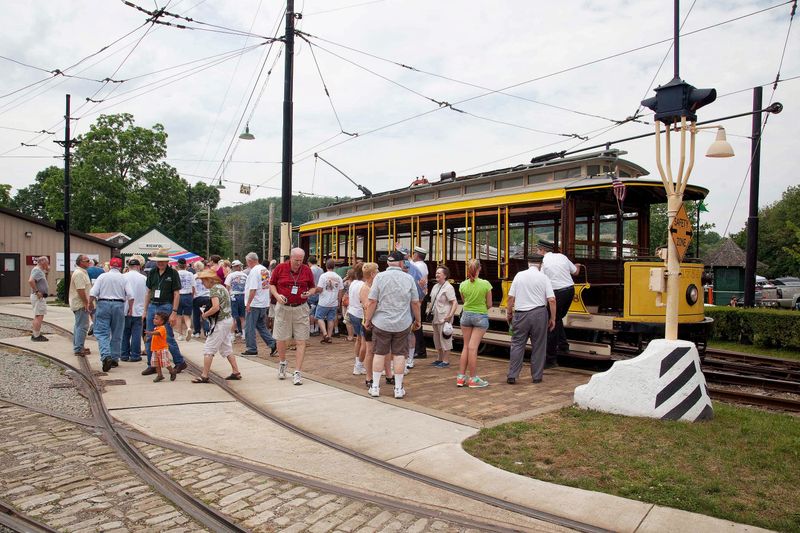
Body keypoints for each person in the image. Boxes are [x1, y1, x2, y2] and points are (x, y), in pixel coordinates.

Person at [364, 250, 421, 399]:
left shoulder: (379, 277)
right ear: (402, 263)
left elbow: (372, 301)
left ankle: (375, 387)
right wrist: (418, 320)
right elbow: (415, 302)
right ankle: (398, 388)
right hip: (402, 323)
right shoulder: (408, 278)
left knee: (379, 353)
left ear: (388, 263)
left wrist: (368, 320)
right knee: (399, 355)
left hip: (381, 322)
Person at [269, 248, 318, 385]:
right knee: (280, 337)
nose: (298, 263)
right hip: (283, 307)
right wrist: (277, 296)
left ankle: (297, 372)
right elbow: (271, 284)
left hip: (300, 308)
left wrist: (309, 293)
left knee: (301, 340)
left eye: (301, 260)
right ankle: (283, 363)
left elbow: (313, 287)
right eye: (296, 260)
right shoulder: (280, 268)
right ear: (290, 258)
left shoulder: (306, 270)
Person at [506, 254, 556, 384]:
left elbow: (511, 297)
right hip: (539, 313)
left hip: (521, 314)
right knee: (539, 346)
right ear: (540, 264)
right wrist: (553, 318)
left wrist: (509, 313)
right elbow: (551, 299)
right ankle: (537, 377)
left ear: (528, 263)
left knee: (517, 344)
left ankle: (512, 375)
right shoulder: (544, 278)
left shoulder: (519, 276)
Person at [537, 239, 582, 368]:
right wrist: (577, 265)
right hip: (570, 291)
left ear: (542, 250)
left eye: (537, 250)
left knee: (551, 323)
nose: (537, 252)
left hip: (557, 293)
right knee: (557, 319)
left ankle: (550, 359)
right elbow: (576, 272)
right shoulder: (562, 257)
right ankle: (563, 346)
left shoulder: (543, 262)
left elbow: (540, 280)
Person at [142, 248, 187, 376]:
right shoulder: (152, 273)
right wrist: (145, 310)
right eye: (158, 261)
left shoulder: (173, 273)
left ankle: (179, 361)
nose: (160, 263)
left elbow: (176, 293)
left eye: (162, 261)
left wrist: (174, 312)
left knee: (167, 336)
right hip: (153, 305)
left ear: (167, 261)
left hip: (166, 305)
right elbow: (148, 292)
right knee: (150, 336)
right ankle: (152, 365)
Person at [191, 270, 242, 383]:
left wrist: (205, 314)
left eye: (203, 281)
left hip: (220, 322)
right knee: (226, 347)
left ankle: (204, 375)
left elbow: (215, 307)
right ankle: (235, 371)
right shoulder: (222, 287)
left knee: (209, 348)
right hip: (227, 320)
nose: (203, 284)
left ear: (209, 280)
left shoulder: (214, 290)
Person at [90, 257, 133, 372]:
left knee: (101, 332)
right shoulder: (123, 278)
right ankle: (114, 358)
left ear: (110, 266)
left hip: (103, 303)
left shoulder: (102, 276)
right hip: (119, 305)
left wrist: (90, 304)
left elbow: (93, 292)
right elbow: (130, 295)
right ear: (120, 267)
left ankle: (106, 355)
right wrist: (130, 309)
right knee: (117, 332)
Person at [457, 259, 492, 388]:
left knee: (466, 346)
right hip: (480, 316)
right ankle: (473, 379)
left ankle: (461, 377)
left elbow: (464, 301)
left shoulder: (463, 285)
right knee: (473, 348)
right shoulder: (486, 284)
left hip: (466, 316)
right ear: (479, 269)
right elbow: (489, 304)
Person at [241, 252, 277, 356]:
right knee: (261, 326)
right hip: (263, 302)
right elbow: (267, 286)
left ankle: (251, 348)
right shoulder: (265, 270)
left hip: (254, 303)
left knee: (250, 327)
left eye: (247, 261)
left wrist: (248, 303)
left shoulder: (254, 271)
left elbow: (253, 289)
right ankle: (272, 344)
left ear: (250, 261)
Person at [429, 265, 458, 368]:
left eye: (439, 273)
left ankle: (446, 360)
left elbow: (454, 302)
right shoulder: (435, 286)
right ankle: (439, 358)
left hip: (445, 317)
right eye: (436, 273)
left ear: (445, 275)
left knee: (445, 338)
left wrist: (450, 315)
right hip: (435, 316)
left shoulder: (448, 287)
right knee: (436, 338)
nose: (437, 275)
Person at [121, 258, 147, 362]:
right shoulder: (143, 278)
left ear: (128, 267)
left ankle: (124, 354)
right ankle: (135, 355)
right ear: (139, 266)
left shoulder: (122, 277)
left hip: (125, 309)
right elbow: (147, 294)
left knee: (124, 333)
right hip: (139, 309)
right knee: (136, 333)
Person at [315, 258, 343, 343]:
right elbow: (340, 291)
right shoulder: (338, 277)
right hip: (333, 302)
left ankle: (325, 334)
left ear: (326, 266)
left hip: (323, 301)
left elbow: (319, 288)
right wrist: (339, 301)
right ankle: (330, 336)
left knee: (319, 317)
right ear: (334, 267)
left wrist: (314, 291)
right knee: (331, 319)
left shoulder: (323, 276)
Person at [69, 255, 93, 355]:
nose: (89, 262)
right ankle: (78, 348)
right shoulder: (79, 273)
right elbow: (80, 290)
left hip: (80, 303)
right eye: (87, 260)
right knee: (82, 326)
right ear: (80, 262)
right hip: (80, 304)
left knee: (79, 325)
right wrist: (86, 302)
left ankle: (78, 345)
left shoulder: (82, 272)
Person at [145, 311, 177, 382]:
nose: (154, 320)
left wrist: (150, 333)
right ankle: (160, 375)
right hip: (155, 349)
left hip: (162, 349)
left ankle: (172, 371)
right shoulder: (156, 328)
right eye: (154, 318)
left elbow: (157, 333)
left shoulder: (162, 328)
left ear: (162, 321)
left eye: (156, 319)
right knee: (156, 363)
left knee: (165, 363)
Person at [347, 264, 366, 375]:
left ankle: (357, 364)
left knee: (358, 339)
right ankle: (359, 365)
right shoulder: (364, 285)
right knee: (364, 341)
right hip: (361, 314)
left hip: (352, 312)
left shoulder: (353, 283)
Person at [411, 246, 429, 359]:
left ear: (417, 255)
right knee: (417, 324)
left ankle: (420, 350)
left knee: (417, 324)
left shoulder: (419, 266)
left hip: (418, 298)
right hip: (419, 297)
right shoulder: (421, 265)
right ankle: (419, 350)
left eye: (414, 253)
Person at [28, 256, 50, 341]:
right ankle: (36, 335)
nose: (48, 264)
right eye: (47, 262)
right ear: (42, 262)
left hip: (40, 297)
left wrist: (47, 271)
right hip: (38, 297)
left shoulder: (40, 271)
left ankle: (35, 333)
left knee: (38, 315)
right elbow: (30, 280)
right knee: (39, 315)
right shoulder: (37, 270)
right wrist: (37, 292)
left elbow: (42, 281)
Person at [226, 259, 248, 338]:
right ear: (239, 266)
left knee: (234, 317)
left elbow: (227, 287)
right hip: (243, 296)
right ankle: (244, 335)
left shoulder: (230, 275)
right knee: (242, 317)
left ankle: (232, 336)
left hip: (233, 297)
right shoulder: (245, 276)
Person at [176, 258, 195, 339]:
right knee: (187, 315)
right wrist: (192, 296)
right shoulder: (190, 274)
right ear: (186, 265)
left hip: (178, 295)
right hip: (188, 295)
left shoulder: (176, 273)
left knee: (178, 316)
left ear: (178, 265)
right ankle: (188, 328)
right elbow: (193, 287)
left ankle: (180, 334)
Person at [192, 261, 211, 339]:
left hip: (197, 297)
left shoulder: (194, 276)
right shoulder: (207, 275)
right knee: (206, 314)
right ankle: (207, 331)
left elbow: (192, 287)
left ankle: (197, 332)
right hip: (207, 296)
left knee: (196, 315)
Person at [307, 256, 324, 336]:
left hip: (312, 291)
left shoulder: (310, 270)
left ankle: (311, 329)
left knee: (311, 312)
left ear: (309, 262)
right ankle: (317, 328)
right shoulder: (321, 270)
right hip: (320, 292)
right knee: (318, 311)